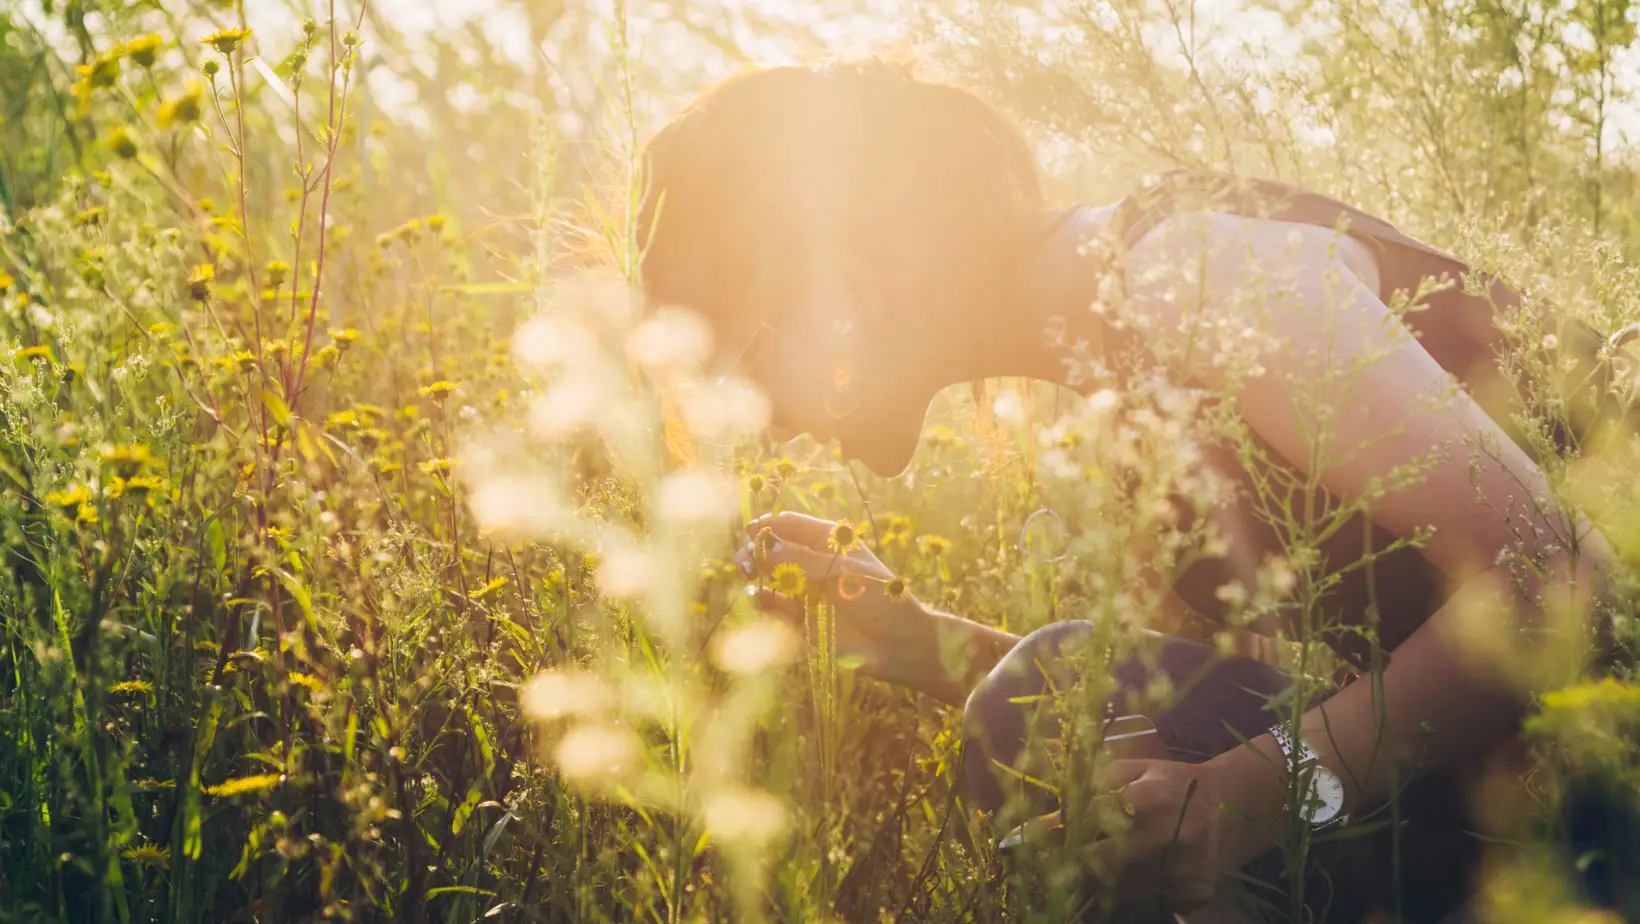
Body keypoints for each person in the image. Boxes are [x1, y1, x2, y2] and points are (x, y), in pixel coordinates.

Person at [636, 60, 1629, 920]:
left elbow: (1562, 580)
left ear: (847, 288)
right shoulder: (1117, 371)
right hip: (1551, 768)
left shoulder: (1190, 278)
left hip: (1606, 762)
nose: (752, 418)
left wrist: (1251, 799)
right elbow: (1276, 714)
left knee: (1043, 689)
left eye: (739, 362)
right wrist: (915, 640)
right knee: (1050, 688)